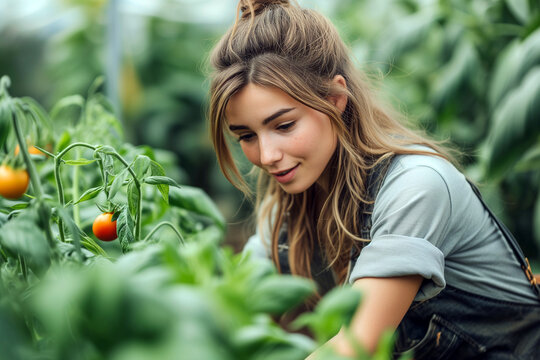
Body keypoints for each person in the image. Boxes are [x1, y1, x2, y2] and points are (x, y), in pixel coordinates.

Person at [207, 0, 540, 358]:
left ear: (335, 98)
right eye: (246, 136)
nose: (266, 155)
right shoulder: (288, 206)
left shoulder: (414, 187)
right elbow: (233, 308)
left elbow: (356, 347)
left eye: (284, 125)